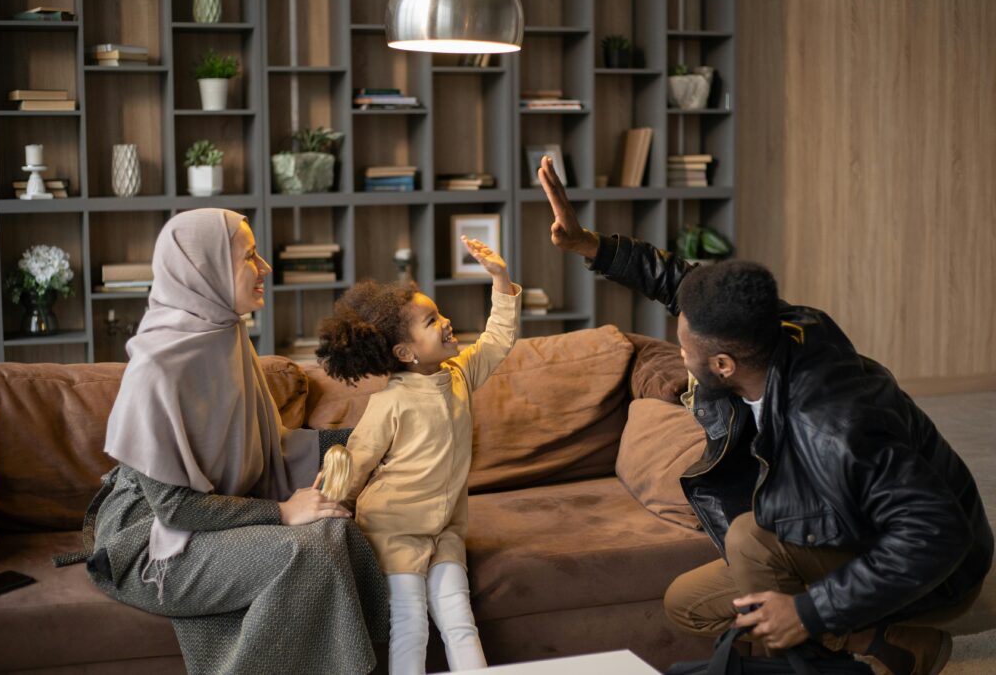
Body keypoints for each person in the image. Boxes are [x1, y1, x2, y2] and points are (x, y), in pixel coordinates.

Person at [537, 156, 993, 675]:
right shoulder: (769, 328)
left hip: (939, 574)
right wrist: (589, 245)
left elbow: (938, 534)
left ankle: (845, 653)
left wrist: (809, 611)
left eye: (685, 348)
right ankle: (887, 642)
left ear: (723, 365)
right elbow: (683, 284)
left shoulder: (834, 427)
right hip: (841, 526)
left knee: (750, 541)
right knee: (689, 604)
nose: (678, 352)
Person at [82, 208, 390, 674]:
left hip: (203, 521)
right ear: (203, 268)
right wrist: (281, 512)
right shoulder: (156, 367)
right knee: (305, 549)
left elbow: (269, 448)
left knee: (336, 529)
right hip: (153, 539)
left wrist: (371, 436)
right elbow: (175, 509)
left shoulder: (227, 336)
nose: (265, 267)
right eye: (249, 256)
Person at [316, 237, 522, 675]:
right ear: (405, 353)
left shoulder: (459, 374)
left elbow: (498, 338)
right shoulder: (390, 401)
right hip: (393, 530)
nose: (446, 322)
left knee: (460, 624)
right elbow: (357, 462)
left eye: (440, 314)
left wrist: (500, 278)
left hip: (445, 529)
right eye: (432, 321)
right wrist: (328, 513)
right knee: (411, 628)